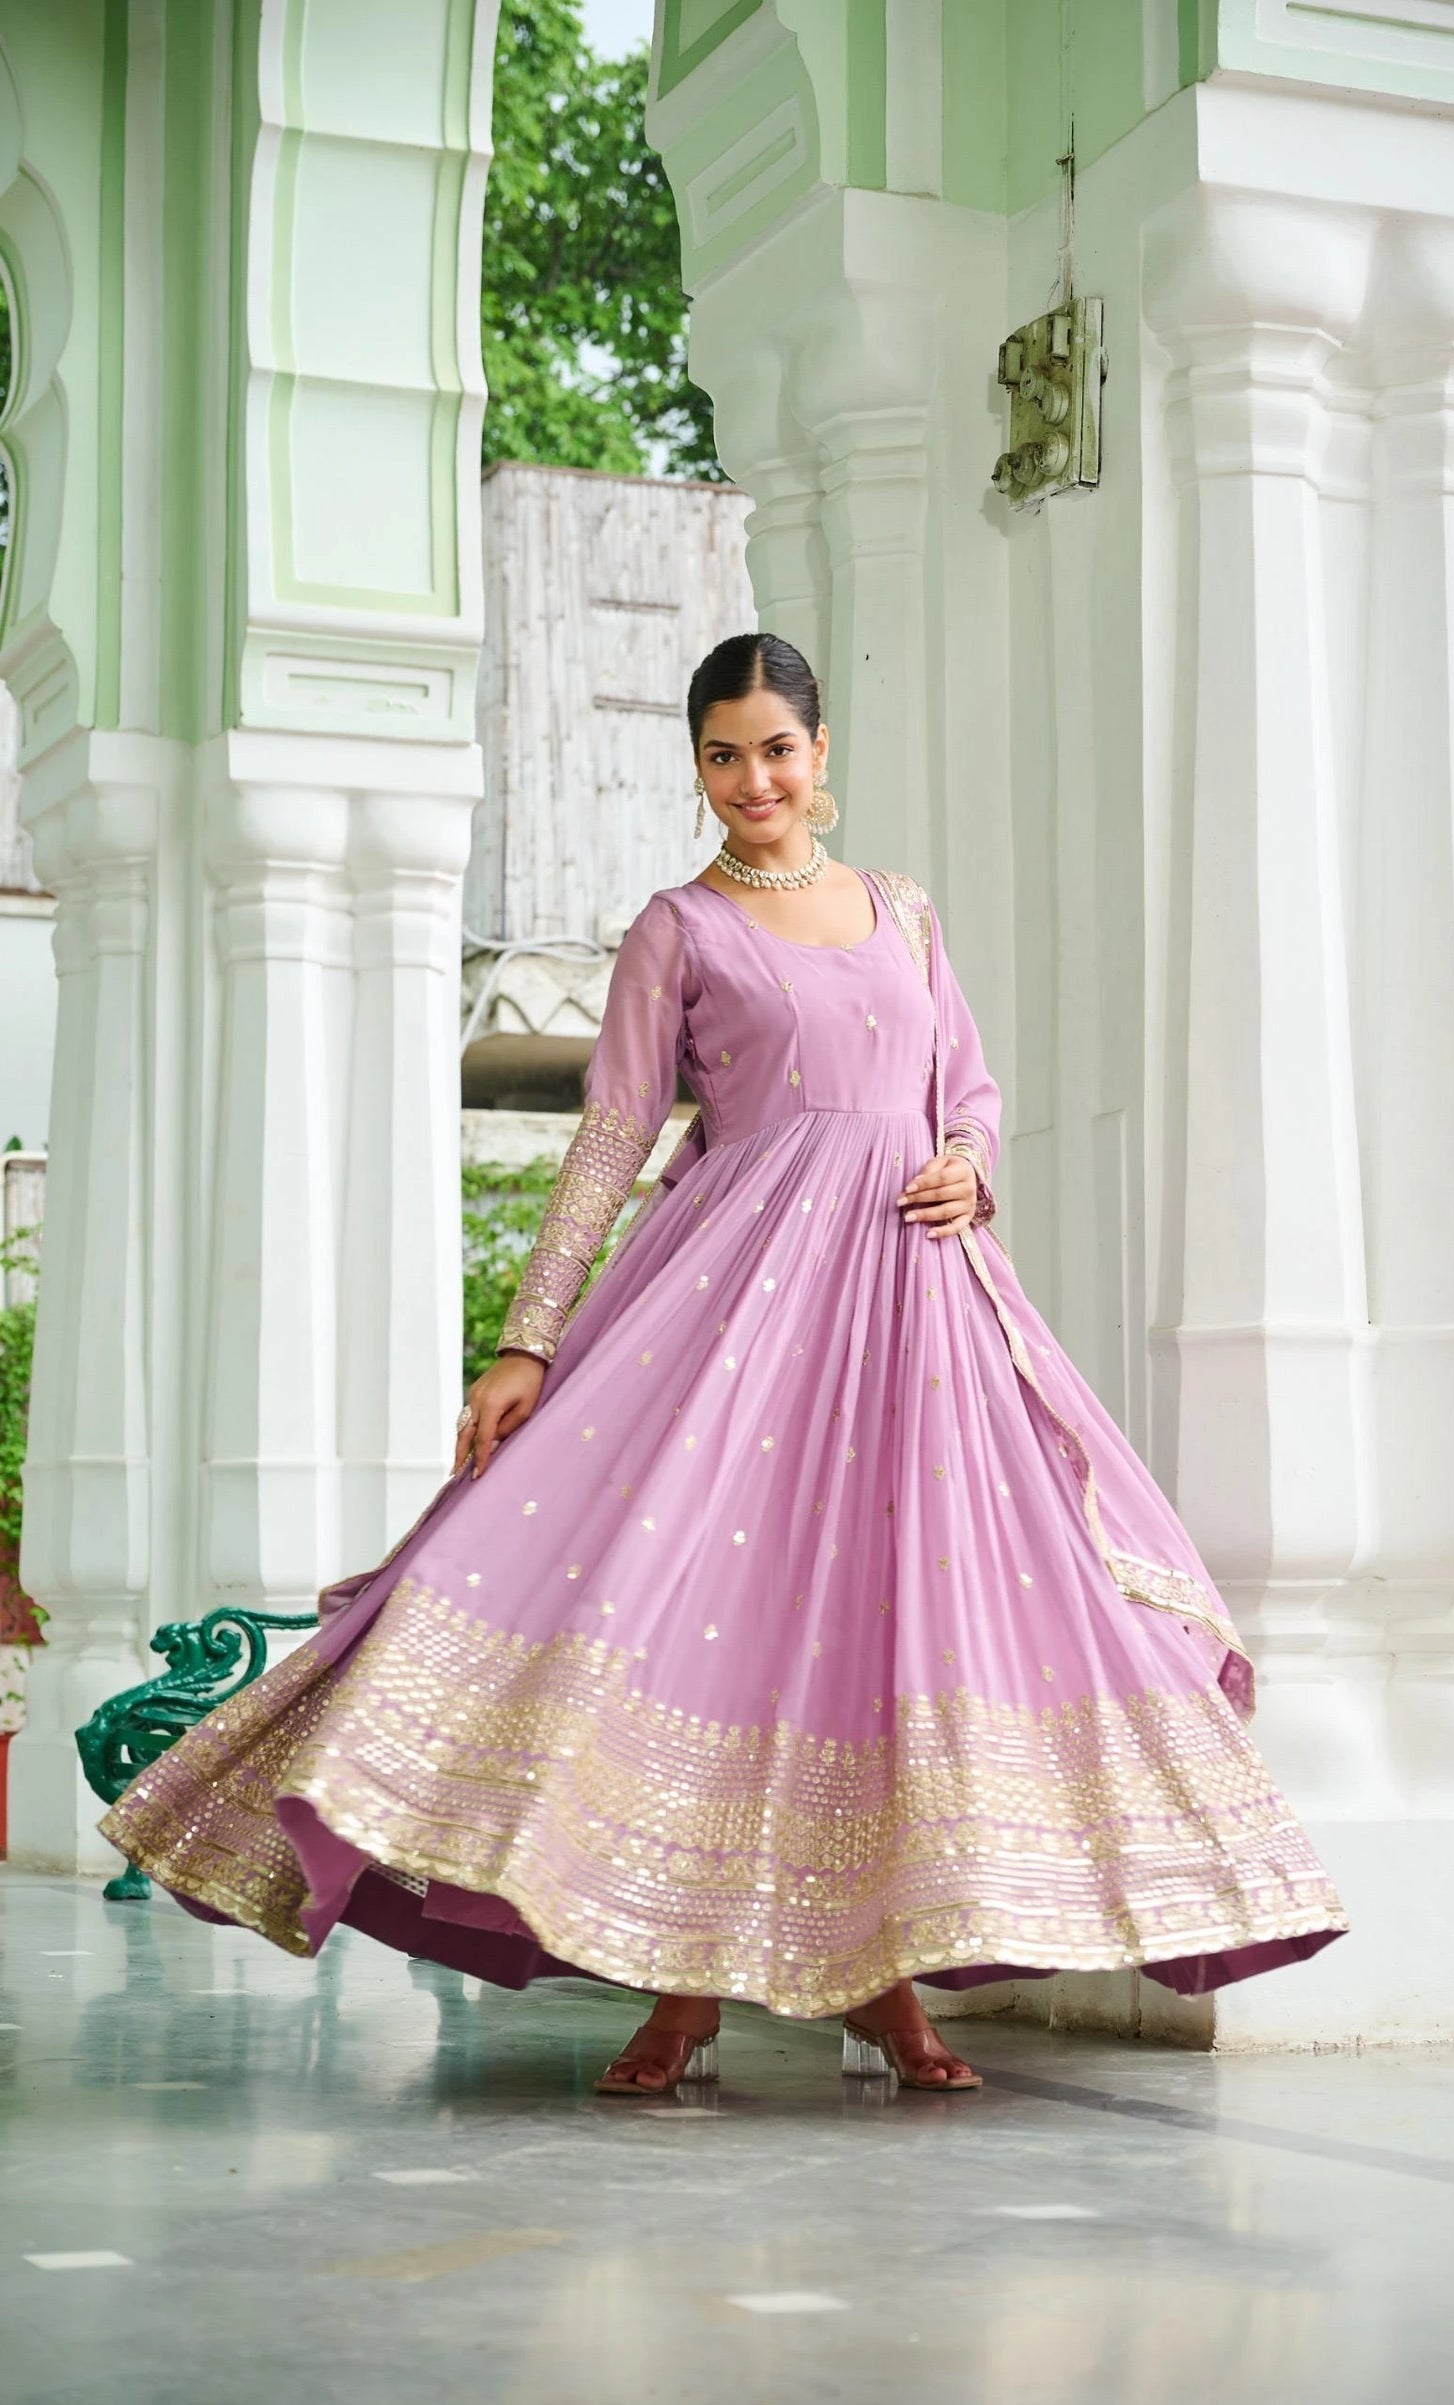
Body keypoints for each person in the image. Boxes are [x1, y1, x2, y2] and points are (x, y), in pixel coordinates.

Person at [103, 633, 1346, 2095]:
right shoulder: (678, 929)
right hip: (739, 1314)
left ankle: (885, 1988)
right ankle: (680, 1994)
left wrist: (967, 1158)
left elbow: (967, 1086)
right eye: (722, 754)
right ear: (697, 764)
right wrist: (527, 1338)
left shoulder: (903, 910)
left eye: (776, 749)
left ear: (822, 752)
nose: (753, 779)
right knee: (724, 1623)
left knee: (891, 1629)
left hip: (914, 1308)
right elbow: (613, 1136)